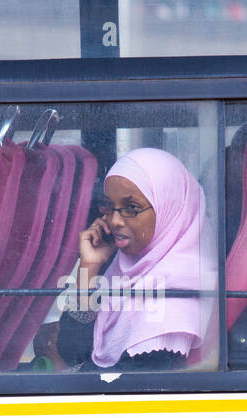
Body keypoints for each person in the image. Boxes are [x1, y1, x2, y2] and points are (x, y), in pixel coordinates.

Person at [55, 148, 216, 371]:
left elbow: (125, 386)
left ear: (169, 207)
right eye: (109, 207)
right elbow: (70, 349)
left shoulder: (177, 294)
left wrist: (67, 371)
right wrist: (90, 266)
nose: (114, 221)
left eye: (131, 208)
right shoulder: (125, 267)